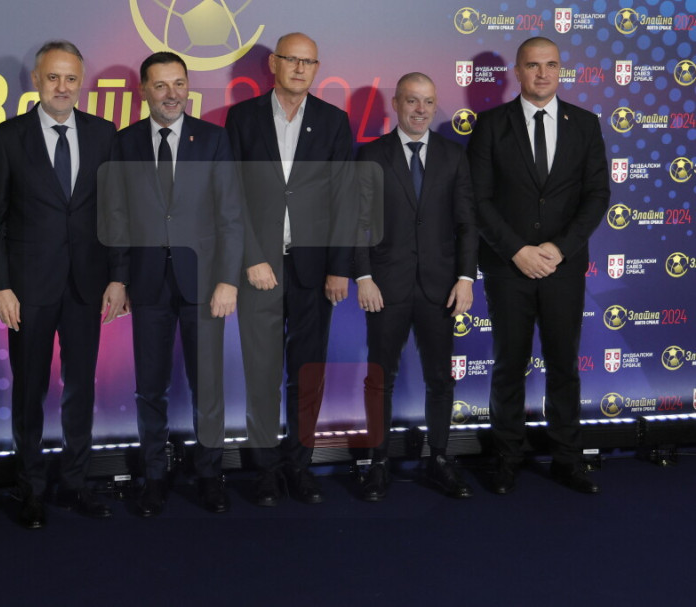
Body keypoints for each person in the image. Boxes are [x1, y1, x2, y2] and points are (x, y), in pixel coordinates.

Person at [0, 41, 126, 528]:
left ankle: (75, 483)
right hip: (28, 288)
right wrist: (1, 285)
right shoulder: (7, 137)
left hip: (88, 284)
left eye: (70, 78)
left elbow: (116, 213)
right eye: (52, 77)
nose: (62, 87)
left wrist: (118, 277)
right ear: (36, 81)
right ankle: (30, 489)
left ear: (80, 81)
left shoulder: (105, 134)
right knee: (29, 390)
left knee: (80, 388)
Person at [103, 52, 243, 516]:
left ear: (188, 87)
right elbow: (117, 216)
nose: (171, 94)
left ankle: (210, 475)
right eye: (161, 85)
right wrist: (119, 278)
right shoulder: (124, 142)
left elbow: (231, 215)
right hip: (146, 284)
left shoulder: (214, 139)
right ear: (144, 90)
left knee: (209, 388)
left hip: (205, 283)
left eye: (179, 83)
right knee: (150, 388)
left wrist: (228, 280)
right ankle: (154, 476)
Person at [467, 37, 609, 494]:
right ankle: (507, 457)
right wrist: (517, 251)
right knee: (509, 364)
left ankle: (568, 459)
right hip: (508, 268)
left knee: (564, 364)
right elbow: (478, 199)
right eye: (533, 65)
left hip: (563, 267)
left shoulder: (584, 124)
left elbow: (597, 195)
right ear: (517, 72)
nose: (543, 73)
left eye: (550, 65)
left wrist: (560, 249)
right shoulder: (491, 125)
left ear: (560, 70)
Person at [224, 33, 355, 506]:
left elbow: (345, 197)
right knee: (261, 373)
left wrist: (339, 266)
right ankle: (264, 469)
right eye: (291, 60)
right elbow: (230, 194)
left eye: (308, 62)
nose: (300, 68)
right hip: (258, 269)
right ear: (274, 65)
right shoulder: (242, 118)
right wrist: (250, 257)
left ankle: (299, 465)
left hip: (314, 271)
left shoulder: (334, 121)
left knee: (308, 372)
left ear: (316, 68)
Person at [355, 73, 477, 501]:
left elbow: (467, 223)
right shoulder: (371, 154)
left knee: (440, 379)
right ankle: (378, 463)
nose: (420, 110)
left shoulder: (453, 155)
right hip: (385, 286)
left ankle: (439, 459)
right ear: (396, 104)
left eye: (427, 101)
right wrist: (363, 276)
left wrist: (465, 278)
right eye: (412, 101)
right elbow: (357, 221)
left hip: (440, 288)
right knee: (379, 379)